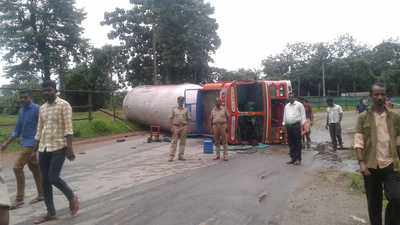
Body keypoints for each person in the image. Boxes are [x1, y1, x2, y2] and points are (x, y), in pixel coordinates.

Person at [32, 80, 79, 224]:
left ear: (55, 90)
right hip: (44, 148)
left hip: (59, 147)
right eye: (44, 90)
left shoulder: (64, 105)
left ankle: (71, 196)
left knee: (53, 177)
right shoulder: (42, 108)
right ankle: (51, 213)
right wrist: (35, 149)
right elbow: (40, 129)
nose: (47, 92)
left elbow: (68, 128)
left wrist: (70, 148)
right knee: (44, 181)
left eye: (49, 90)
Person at [353, 83, 400, 225]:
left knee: (396, 198)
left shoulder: (395, 116)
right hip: (370, 166)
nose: (380, 97)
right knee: (374, 203)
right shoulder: (363, 117)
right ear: (371, 96)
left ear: (386, 96)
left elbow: (398, 140)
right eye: (376, 94)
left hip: (390, 164)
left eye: (382, 94)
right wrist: (361, 163)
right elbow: (358, 141)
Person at [0, 90, 43, 209]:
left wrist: (38, 145)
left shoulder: (37, 109)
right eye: (21, 98)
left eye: (25, 97)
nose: (23, 100)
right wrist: (6, 143)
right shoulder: (21, 111)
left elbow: (43, 126)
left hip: (32, 144)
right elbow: (17, 130)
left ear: (30, 97)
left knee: (17, 167)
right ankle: (42, 194)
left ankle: (19, 199)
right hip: (25, 143)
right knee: (35, 169)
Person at [282, 93, 306, 165]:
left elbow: (303, 115)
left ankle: (298, 159)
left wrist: (302, 126)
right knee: (291, 142)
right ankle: (293, 158)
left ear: (294, 98)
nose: (290, 98)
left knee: (297, 143)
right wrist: (283, 124)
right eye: (289, 97)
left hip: (296, 126)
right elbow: (285, 115)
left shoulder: (299, 105)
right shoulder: (286, 106)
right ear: (288, 98)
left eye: (292, 97)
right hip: (289, 126)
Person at [169, 96, 190, 162]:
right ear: (177, 101)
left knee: (183, 142)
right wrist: (171, 126)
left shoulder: (186, 109)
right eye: (180, 101)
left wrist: (188, 127)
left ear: (183, 102)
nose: (181, 102)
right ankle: (171, 156)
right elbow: (171, 118)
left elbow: (188, 118)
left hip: (183, 126)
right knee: (174, 141)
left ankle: (181, 155)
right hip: (176, 127)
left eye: (182, 101)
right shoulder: (174, 109)